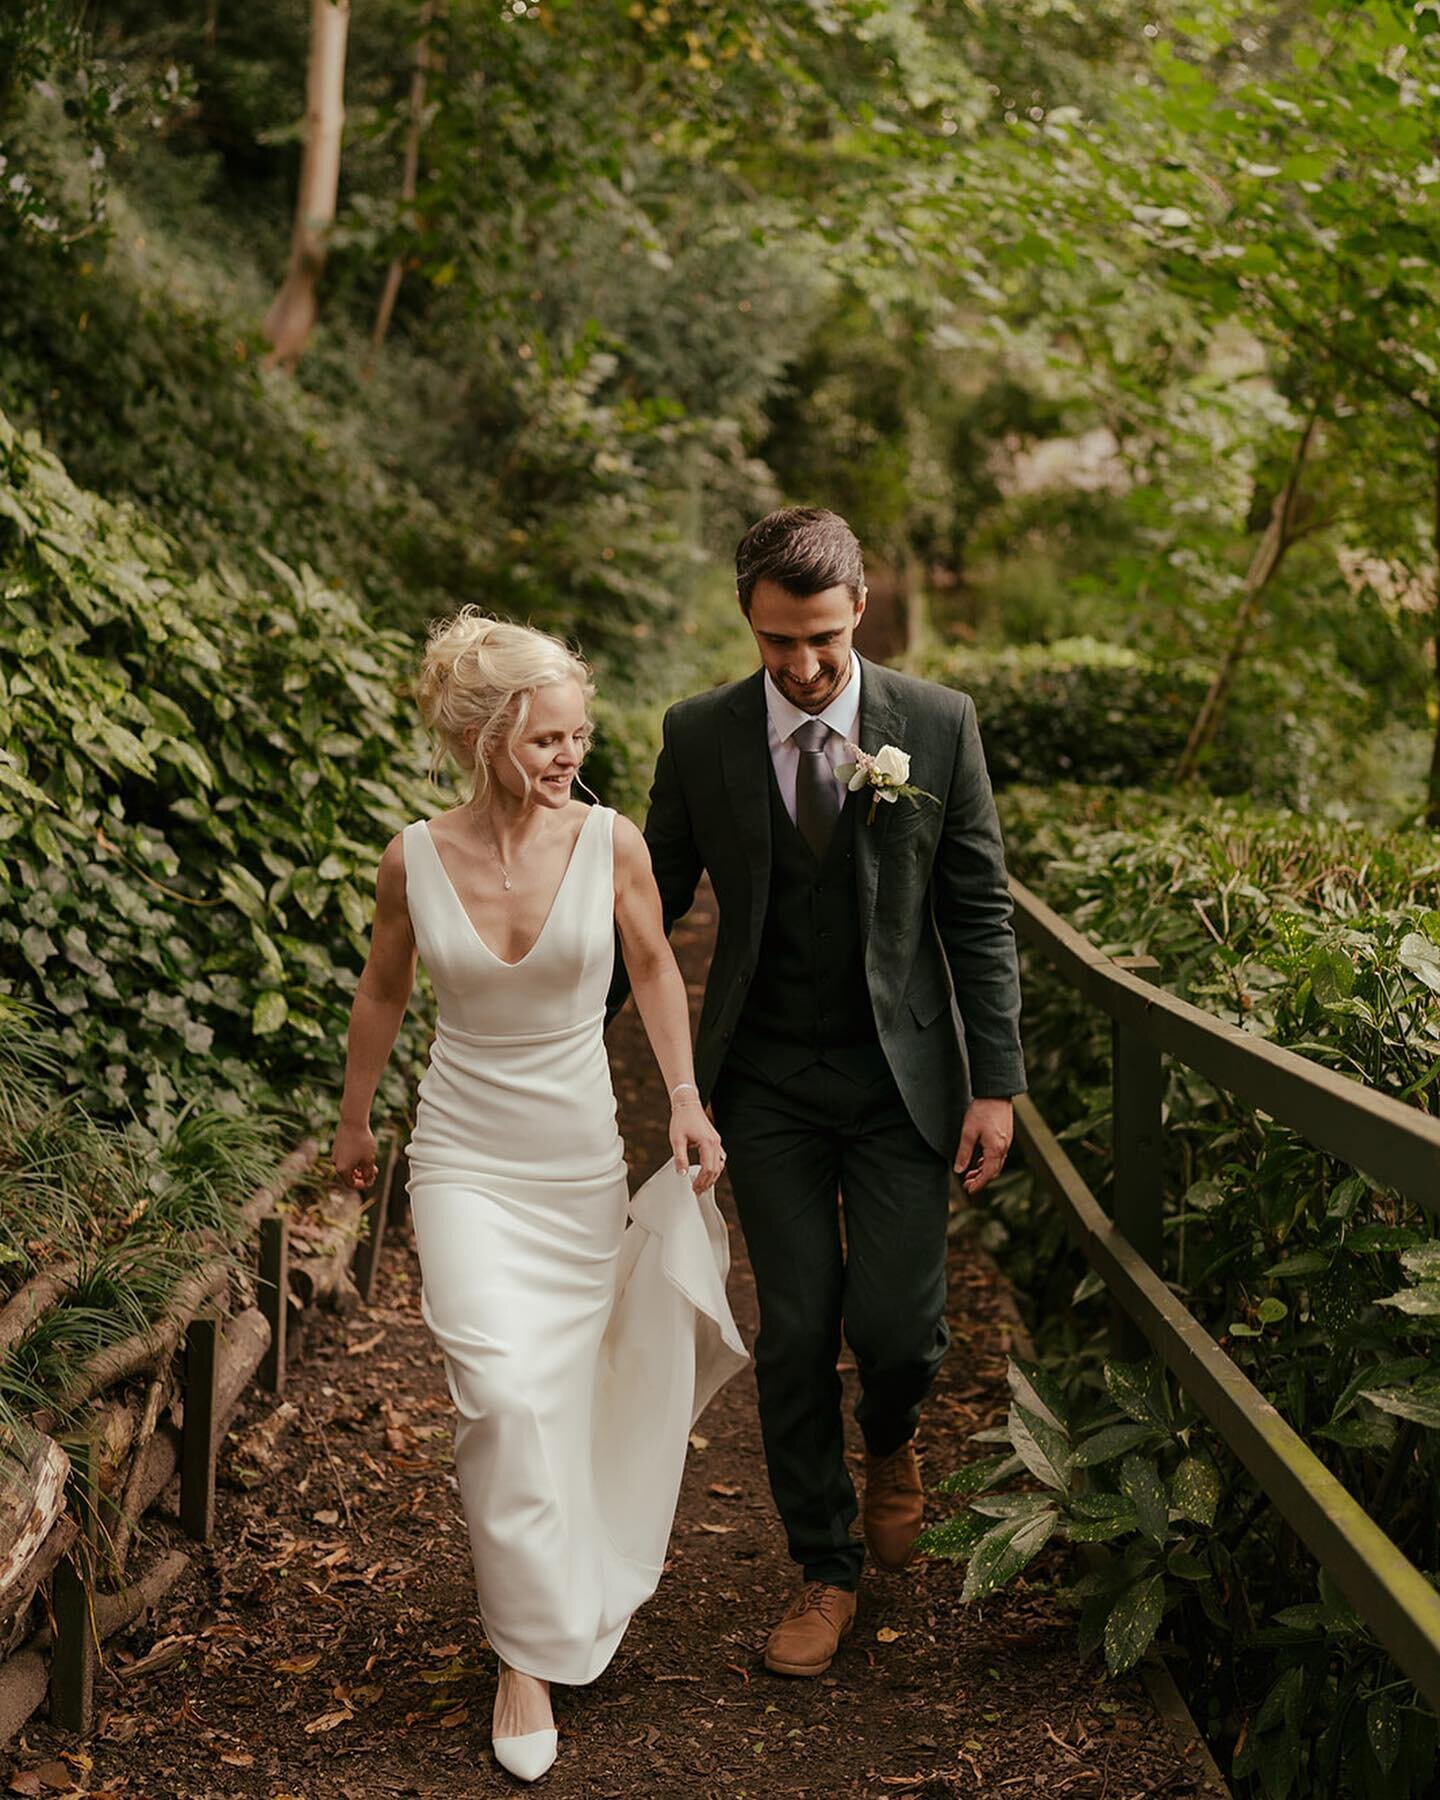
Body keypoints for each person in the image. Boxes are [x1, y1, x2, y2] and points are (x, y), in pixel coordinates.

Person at [330, 612, 746, 1784]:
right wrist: (358, 1117)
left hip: (574, 1163)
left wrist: (683, 1098)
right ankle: (524, 1656)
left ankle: (556, 1592)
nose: (570, 755)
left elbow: (657, 964)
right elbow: (381, 989)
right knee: (502, 1396)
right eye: (546, 739)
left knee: (557, 1396)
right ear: (481, 733)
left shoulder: (612, 842)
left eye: (577, 734)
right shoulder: (411, 858)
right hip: (461, 1159)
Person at [611, 506, 1025, 1680]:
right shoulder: (698, 735)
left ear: (860, 614)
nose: (800, 668)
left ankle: (890, 1437)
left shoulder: (937, 727)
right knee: (794, 1329)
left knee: (896, 1329)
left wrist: (995, 1083)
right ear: (748, 619)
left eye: (824, 644)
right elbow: (649, 909)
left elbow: (978, 910)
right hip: (769, 1082)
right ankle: (824, 1568)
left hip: (904, 1081)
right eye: (778, 643)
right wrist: (550, 1035)